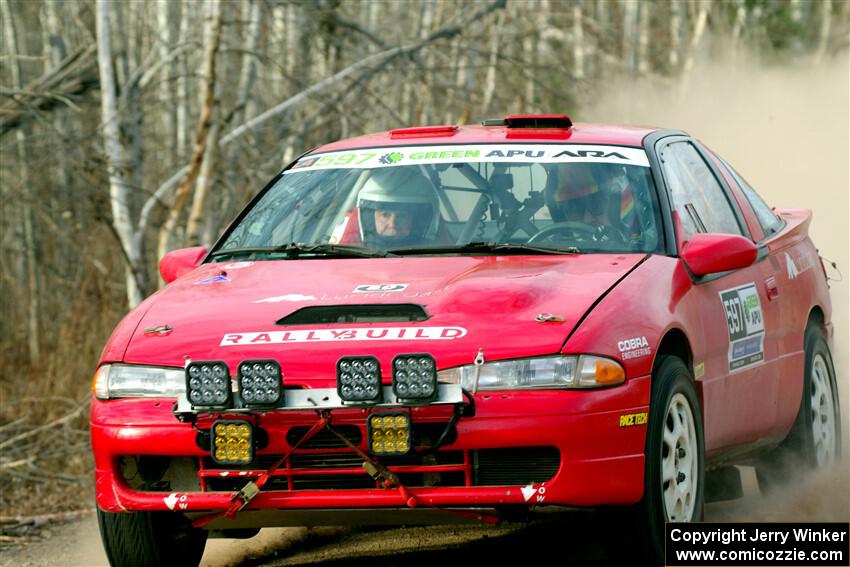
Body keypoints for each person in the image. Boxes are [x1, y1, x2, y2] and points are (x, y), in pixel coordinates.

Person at [545, 163, 639, 242]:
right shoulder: (549, 254)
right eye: (575, 208)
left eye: (595, 203)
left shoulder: (642, 251)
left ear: (614, 207)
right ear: (563, 217)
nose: (587, 219)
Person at [356, 167, 441, 248]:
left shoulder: (441, 254)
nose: (392, 224)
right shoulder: (349, 253)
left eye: (402, 216)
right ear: (371, 218)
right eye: (385, 215)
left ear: (416, 221)